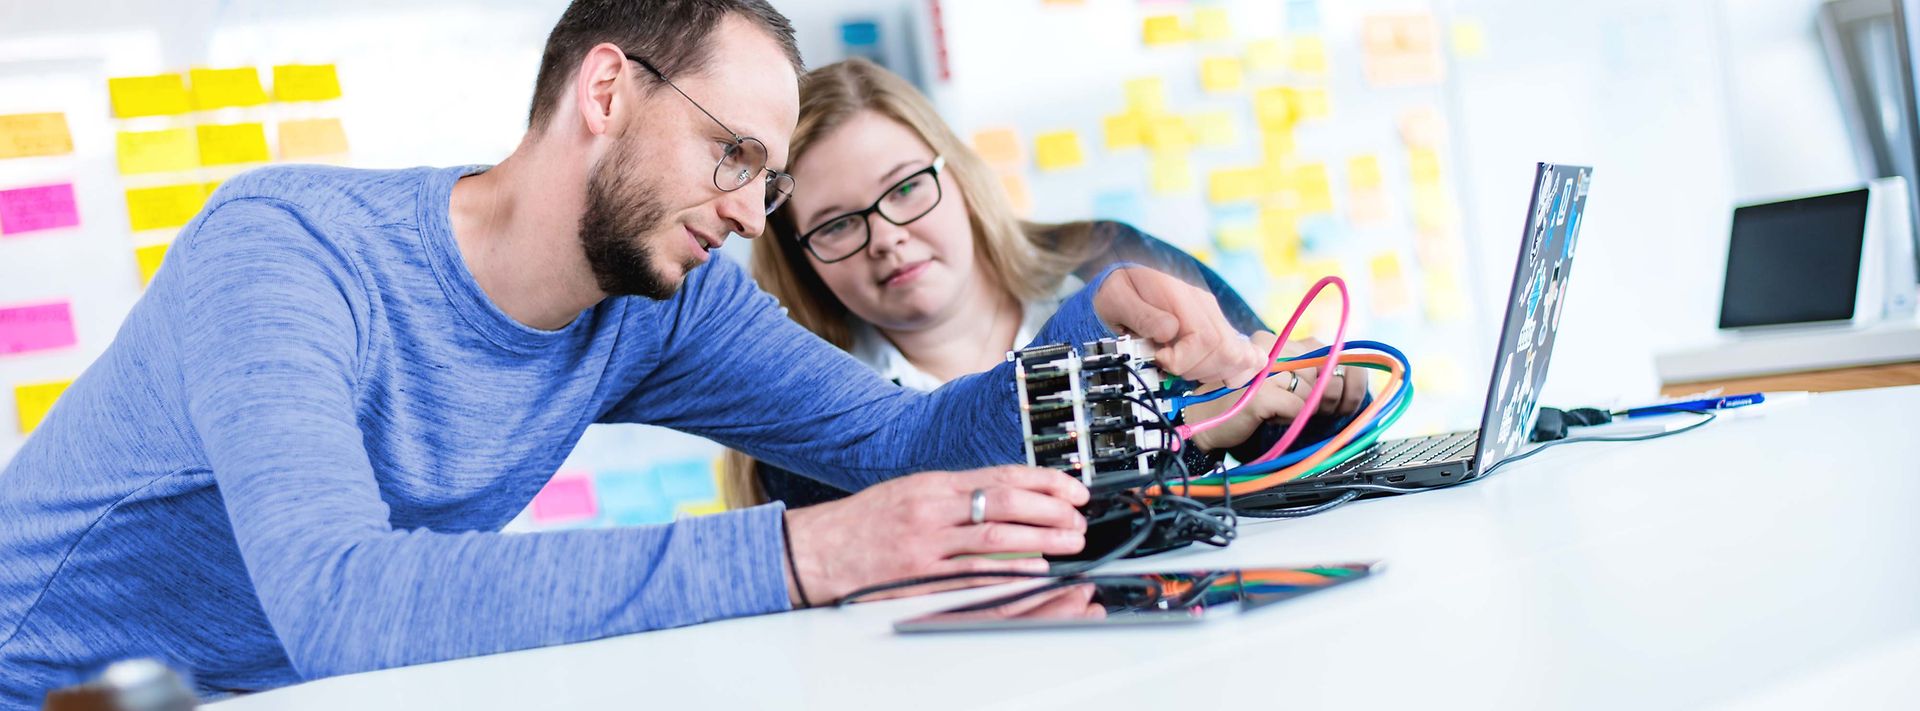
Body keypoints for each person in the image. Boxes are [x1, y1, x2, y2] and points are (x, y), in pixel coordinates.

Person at [0, 1, 1270, 705]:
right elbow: (343, 601)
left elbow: (893, 439)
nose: (745, 212)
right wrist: (807, 551)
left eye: (767, 183)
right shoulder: (285, 255)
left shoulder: (665, 296)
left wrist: (1089, 365)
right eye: (733, 156)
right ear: (605, 92)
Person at [722, 58, 1370, 510]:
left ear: (961, 179)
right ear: (801, 257)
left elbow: (1310, 465)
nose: (887, 235)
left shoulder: (1112, 261)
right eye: (836, 225)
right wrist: (1185, 436)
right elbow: (956, 570)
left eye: (907, 187)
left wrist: (1320, 402)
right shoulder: (804, 422)